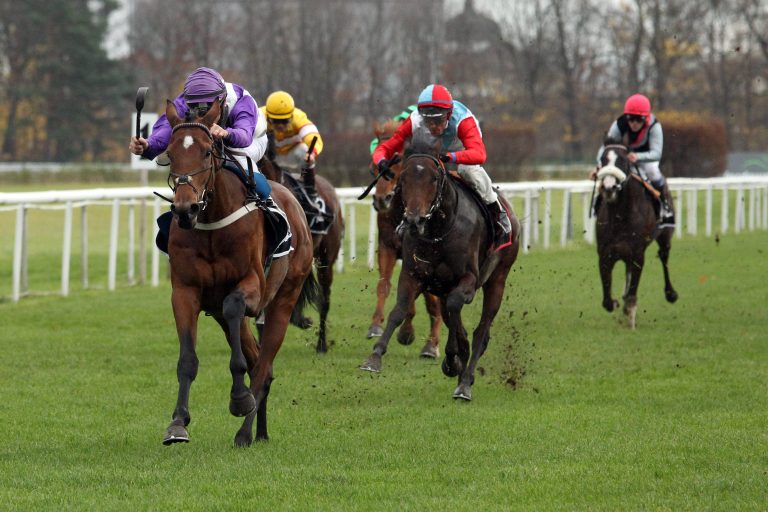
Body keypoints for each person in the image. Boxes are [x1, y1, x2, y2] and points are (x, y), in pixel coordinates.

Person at [372, 84, 512, 245]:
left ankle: (497, 212)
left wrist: (450, 157)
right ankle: (407, 217)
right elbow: (385, 148)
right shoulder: (415, 120)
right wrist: (381, 161)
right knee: (414, 170)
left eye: (438, 120)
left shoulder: (463, 121)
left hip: (461, 148)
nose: (433, 125)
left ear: (449, 114)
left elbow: (480, 155)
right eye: (428, 120)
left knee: (468, 171)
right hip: (434, 149)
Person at [129, 67, 273, 206]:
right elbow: (167, 127)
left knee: (232, 161)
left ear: (223, 101)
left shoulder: (242, 101)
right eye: (196, 107)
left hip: (251, 141)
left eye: (209, 107)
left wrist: (227, 133)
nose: (202, 114)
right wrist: (148, 145)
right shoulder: (187, 100)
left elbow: (244, 135)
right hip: (211, 140)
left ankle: (270, 206)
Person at [594, 93, 674, 224]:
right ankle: (597, 205)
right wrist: (599, 165)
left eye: (638, 119)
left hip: (647, 158)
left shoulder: (654, 126)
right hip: (624, 157)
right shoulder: (619, 124)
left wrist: (638, 157)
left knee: (653, 172)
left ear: (646, 118)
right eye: (631, 119)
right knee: (608, 175)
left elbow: (656, 153)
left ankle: (665, 206)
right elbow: (606, 147)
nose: (634, 123)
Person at [260, 90, 324, 207]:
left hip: (292, 154)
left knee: (305, 152)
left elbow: (313, 136)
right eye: (275, 121)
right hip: (270, 156)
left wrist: (312, 153)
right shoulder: (259, 115)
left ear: (291, 116)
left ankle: (311, 192)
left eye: (284, 121)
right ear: (268, 116)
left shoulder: (299, 117)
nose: (280, 125)